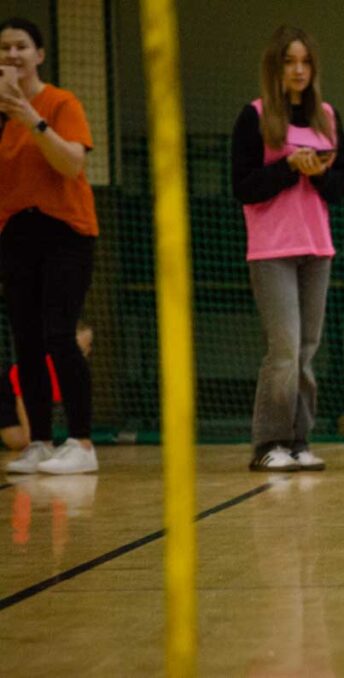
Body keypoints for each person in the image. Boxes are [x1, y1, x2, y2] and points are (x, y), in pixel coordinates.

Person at [231, 25, 344, 472]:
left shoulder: (327, 117)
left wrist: (316, 173)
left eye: (305, 62)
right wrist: (288, 168)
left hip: (317, 248)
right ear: (276, 68)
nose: (299, 70)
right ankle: (269, 444)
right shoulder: (255, 117)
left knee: (306, 349)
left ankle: (299, 442)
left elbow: (341, 186)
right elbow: (243, 186)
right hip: (271, 250)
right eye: (290, 61)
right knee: (283, 349)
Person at [0, 18, 99, 474]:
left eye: (21, 46)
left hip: (65, 231)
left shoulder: (60, 103)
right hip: (16, 234)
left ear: (39, 55)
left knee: (60, 333)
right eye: (4, 48)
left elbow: (70, 163)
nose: (12, 55)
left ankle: (81, 442)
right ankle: (39, 440)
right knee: (27, 338)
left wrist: (28, 117)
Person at [1, 322, 93, 453]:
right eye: (78, 348)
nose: (87, 352)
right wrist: (32, 439)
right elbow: (22, 401)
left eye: (89, 346)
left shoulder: (77, 372)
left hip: (32, 403)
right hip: (9, 399)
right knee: (18, 442)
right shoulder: (42, 366)